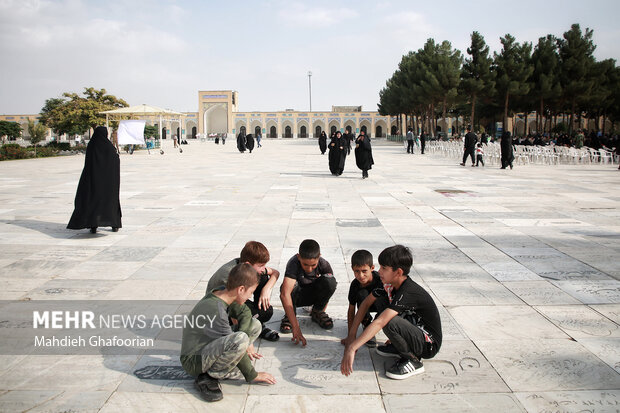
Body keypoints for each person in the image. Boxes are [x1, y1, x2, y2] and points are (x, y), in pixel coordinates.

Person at [341, 245, 442, 380]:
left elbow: (381, 321)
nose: (379, 271)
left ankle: (413, 360)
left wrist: (352, 348)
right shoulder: (388, 285)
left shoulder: (408, 291)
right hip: (415, 332)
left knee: (388, 320)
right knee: (385, 309)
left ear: (398, 272)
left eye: (384, 268)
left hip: (428, 344)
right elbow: (365, 304)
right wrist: (351, 335)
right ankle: (399, 347)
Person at [181, 263, 276, 403]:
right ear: (241, 289)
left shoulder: (222, 291)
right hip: (194, 361)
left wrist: (245, 335)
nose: (249, 296)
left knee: (255, 325)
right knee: (240, 340)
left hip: (208, 346)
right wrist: (252, 374)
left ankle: (224, 365)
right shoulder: (217, 311)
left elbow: (244, 311)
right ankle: (210, 375)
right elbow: (236, 341)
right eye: (250, 292)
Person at [206, 241, 281, 341]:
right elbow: (233, 308)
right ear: (248, 264)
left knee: (262, 279)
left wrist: (266, 290)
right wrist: (242, 337)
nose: (264, 268)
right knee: (262, 313)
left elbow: (275, 273)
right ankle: (252, 327)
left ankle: (255, 324)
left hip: (235, 300)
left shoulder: (245, 265)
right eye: (261, 265)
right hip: (220, 310)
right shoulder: (231, 275)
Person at [279, 239, 337, 346]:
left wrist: (320, 309)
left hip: (313, 295)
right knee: (289, 285)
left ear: (319, 257)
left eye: (313, 265)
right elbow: (285, 294)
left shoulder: (324, 264)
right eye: (305, 264)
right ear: (299, 257)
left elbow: (328, 288)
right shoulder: (293, 263)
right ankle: (290, 315)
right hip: (297, 296)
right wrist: (295, 326)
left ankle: (317, 312)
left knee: (330, 280)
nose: (309, 269)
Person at [67, 126, 121, 234]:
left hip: (93, 181)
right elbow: (115, 162)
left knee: (93, 201)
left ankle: (93, 225)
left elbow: (88, 164)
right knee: (109, 202)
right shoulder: (109, 147)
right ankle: (114, 223)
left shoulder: (92, 145)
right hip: (108, 183)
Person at [340, 250, 383, 348]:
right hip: (365, 307)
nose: (361, 276)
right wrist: (351, 336)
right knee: (362, 294)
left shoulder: (380, 280)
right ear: (352, 269)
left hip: (381, 307)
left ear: (372, 268)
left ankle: (375, 327)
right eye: (357, 271)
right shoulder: (355, 285)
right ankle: (367, 326)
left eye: (364, 271)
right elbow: (351, 310)